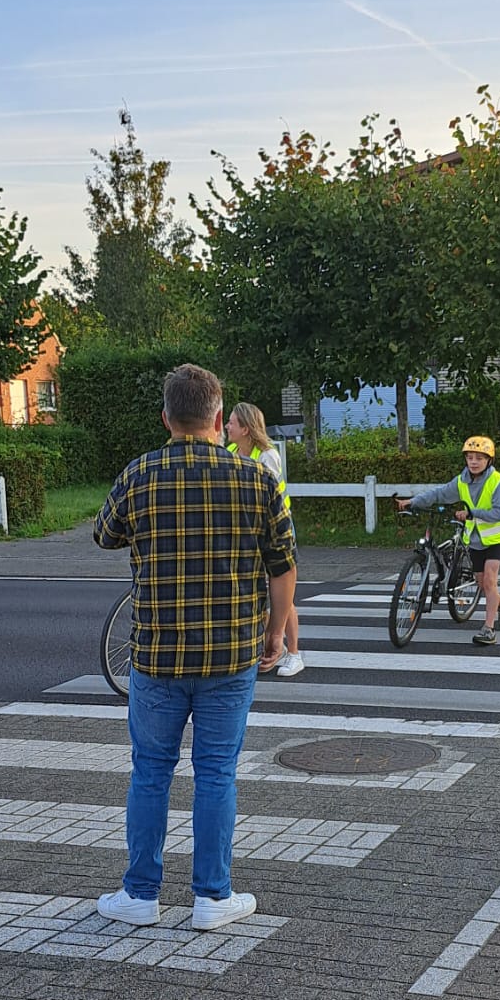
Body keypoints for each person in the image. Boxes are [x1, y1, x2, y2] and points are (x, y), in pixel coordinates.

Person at [93, 363, 296, 930]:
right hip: (231, 655)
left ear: (166, 416)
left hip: (157, 656)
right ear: (217, 414)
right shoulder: (256, 480)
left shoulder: (139, 474)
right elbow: (284, 567)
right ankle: (212, 898)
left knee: (150, 772)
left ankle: (139, 895)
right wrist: (275, 634)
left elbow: (105, 535)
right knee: (215, 774)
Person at [394, 433, 500, 645]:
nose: (473, 462)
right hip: (476, 539)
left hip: (497, 536)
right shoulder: (462, 481)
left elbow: (498, 513)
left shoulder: (496, 482)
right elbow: (439, 493)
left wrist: (471, 513)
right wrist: (412, 502)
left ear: (489, 460)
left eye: (479, 458)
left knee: (489, 580)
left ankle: (488, 629)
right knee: (483, 583)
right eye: (470, 457)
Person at [226, 401, 304, 678]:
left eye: (232, 422)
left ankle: (294, 653)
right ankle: (272, 644)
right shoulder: (231, 451)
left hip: (275, 530)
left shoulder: (267, 455)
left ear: (245, 428)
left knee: (282, 591)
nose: (227, 426)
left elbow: (267, 500)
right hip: (249, 531)